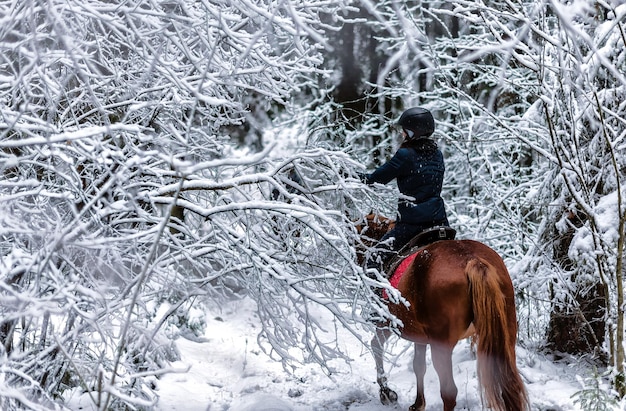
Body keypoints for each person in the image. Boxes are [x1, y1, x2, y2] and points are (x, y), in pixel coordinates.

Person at [361, 107, 450, 284]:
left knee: (374, 259)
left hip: (412, 225)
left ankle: (376, 310)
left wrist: (352, 176)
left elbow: (376, 179)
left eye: (404, 130)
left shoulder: (405, 155)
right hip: (439, 222)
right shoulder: (437, 154)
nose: (402, 134)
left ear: (411, 131)